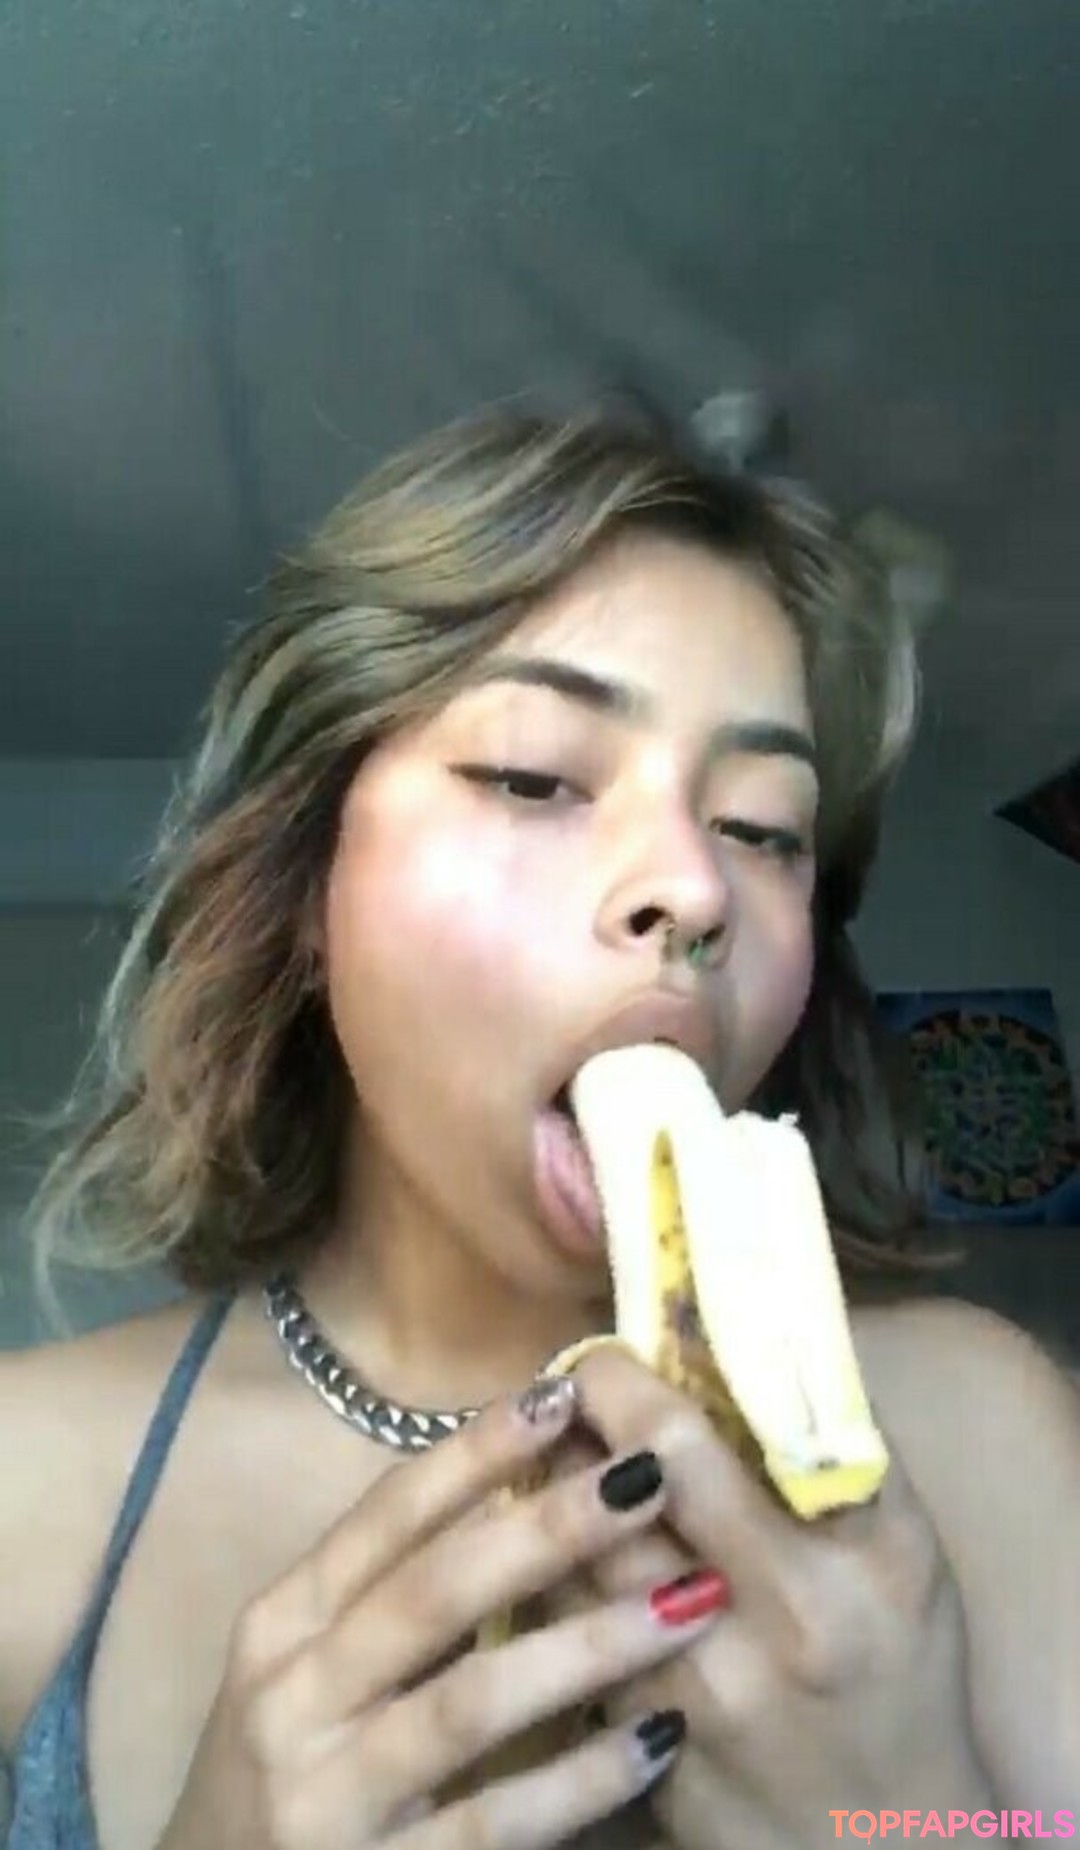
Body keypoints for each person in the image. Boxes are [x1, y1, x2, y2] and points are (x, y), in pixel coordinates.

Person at [1, 406, 1077, 1850]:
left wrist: (917, 1822)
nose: (694, 888)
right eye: (533, 776)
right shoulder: (22, 1479)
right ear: (305, 887)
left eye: (765, 829)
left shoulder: (986, 1428)